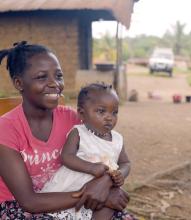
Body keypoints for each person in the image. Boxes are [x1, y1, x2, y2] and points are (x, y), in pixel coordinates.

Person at [0, 42, 136, 219]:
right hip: (20, 208)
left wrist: (105, 183)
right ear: (19, 83)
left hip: (73, 200)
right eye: (42, 77)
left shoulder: (74, 119)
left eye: (58, 76)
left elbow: (108, 155)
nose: (54, 84)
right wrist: (90, 193)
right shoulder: (6, 129)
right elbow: (29, 202)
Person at [41, 83, 131, 219]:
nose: (109, 117)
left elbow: (126, 163)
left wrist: (120, 175)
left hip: (104, 188)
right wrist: (91, 167)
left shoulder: (117, 139)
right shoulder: (79, 132)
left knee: (108, 207)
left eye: (114, 112)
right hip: (73, 186)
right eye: (101, 111)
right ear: (82, 113)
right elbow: (66, 156)